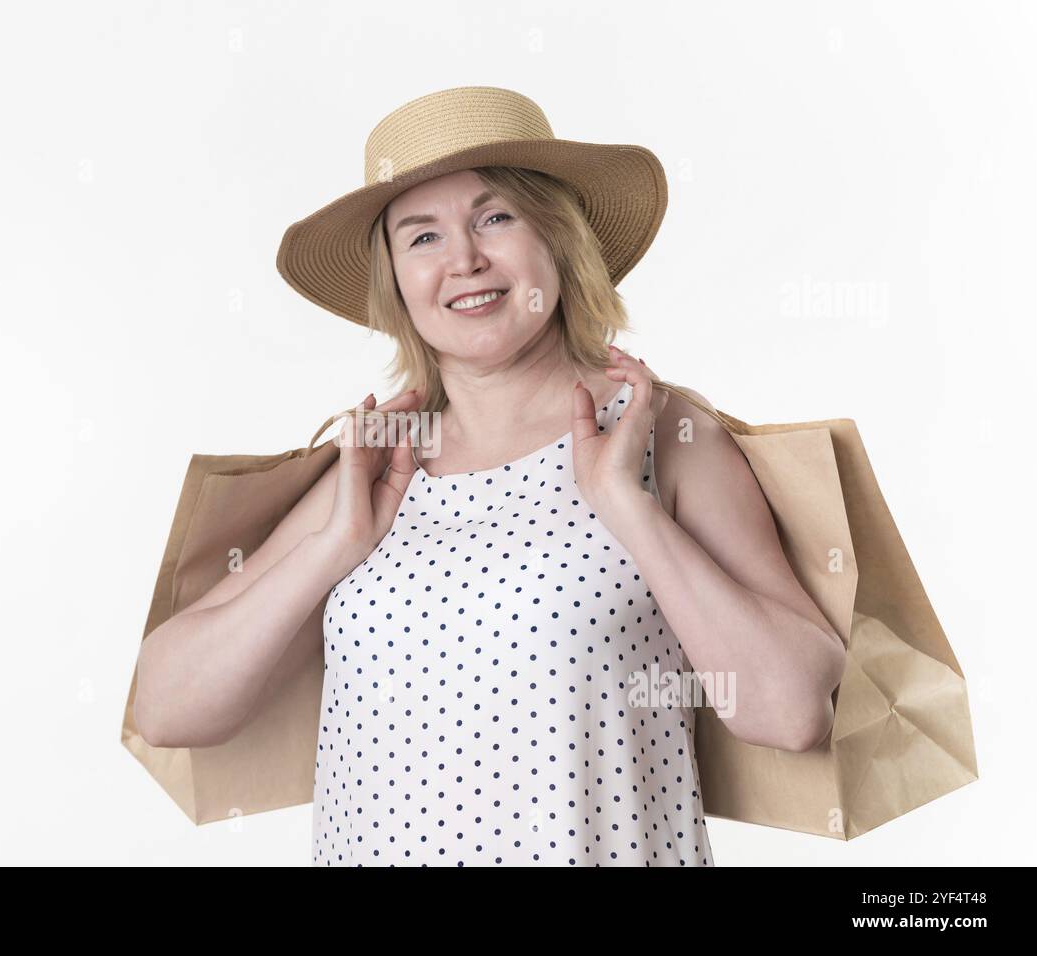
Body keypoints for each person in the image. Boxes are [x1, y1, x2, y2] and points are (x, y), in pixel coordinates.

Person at [134, 87, 846, 866]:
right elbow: (165, 709)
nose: (465, 259)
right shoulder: (374, 470)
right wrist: (332, 545)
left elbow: (790, 712)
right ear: (396, 280)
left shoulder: (663, 439)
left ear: (559, 239)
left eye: (495, 217)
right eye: (423, 236)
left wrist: (626, 508)